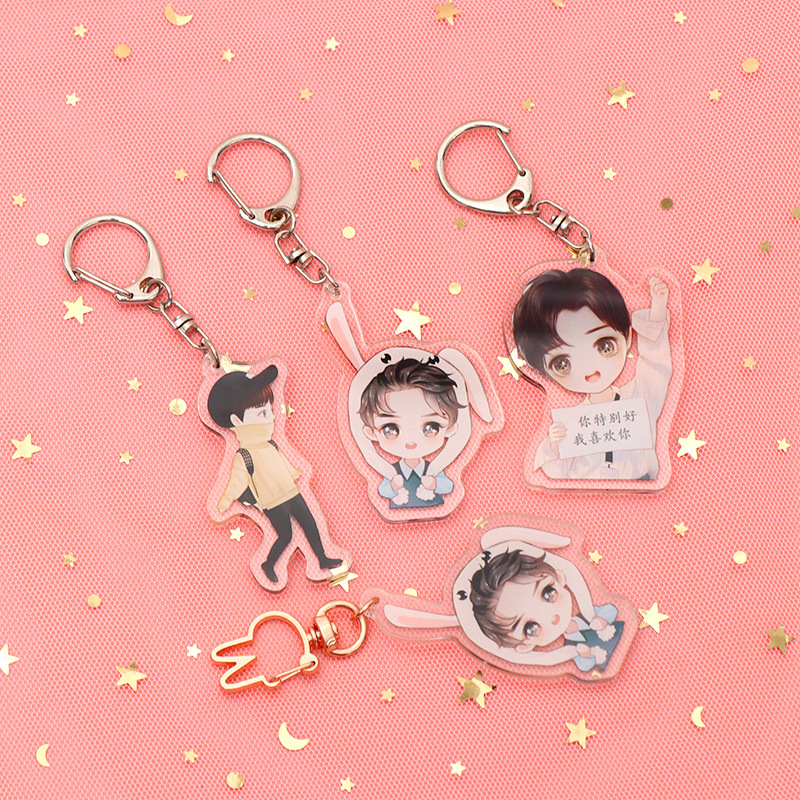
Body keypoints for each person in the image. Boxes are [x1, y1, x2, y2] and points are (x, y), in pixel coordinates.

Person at [512, 268, 672, 480]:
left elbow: (656, 366)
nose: (589, 370)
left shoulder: (639, 396)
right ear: (546, 372)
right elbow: (555, 472)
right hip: (585, 497)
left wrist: (658, 310)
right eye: (562, 364)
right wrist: (556, 444)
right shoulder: (572, 423)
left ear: (626, 338)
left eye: (605, 346)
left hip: (642, 487)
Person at [206, 366, 342, 583]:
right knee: (286, 535)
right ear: (237, 421)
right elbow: (236, 483)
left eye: (269, 410)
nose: (271, 417)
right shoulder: (243, 455)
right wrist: (224, 503)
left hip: (291, 492)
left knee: (310, 524)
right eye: (262, 413)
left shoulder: (271, 444)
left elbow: (281, 464)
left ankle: (322, 558)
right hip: (272, 503)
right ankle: (268, 563)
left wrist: (294, 474)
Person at [469, 548, 623, 672]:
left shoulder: (590, 615)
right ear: (525, 646)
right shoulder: (571, 644)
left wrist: (600, 620)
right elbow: (585, 666)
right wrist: (584, 653)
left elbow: (611, 611)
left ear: (559, 578)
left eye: (549, 593)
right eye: (531, 629)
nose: (549, 615)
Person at [358, 357, 464, 508]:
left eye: (431, 428)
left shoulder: (433, 468)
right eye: (390, 429)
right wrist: (393, 486)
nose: (411, 441)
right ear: (371, 433)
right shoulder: (391, 471)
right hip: (394, 516)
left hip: (437, 509)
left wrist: (434, 484)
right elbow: (383, 490)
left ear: (450, 429)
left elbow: (448, 486)